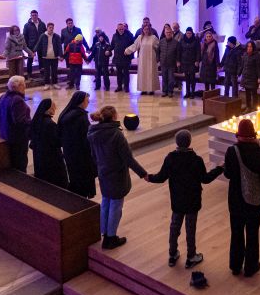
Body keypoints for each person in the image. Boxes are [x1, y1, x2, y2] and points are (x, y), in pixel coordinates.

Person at [146, 130, 224, 268]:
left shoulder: (170, 158)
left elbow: (161, 177)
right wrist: (219, 168)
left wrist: (149, 177)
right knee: (190, 228)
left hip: (177, 199)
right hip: (192, 200)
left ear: (176, 142)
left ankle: (172, 254)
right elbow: (205, 179)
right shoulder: (196, 160)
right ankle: (191, 256)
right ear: (189, 142)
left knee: (174, 226)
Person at [223, 119, 260, 277]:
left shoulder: (231, 151)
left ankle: (235, 266)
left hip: (236, 200)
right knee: (252, 233)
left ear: (238, 134)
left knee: (236, 233)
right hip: (255, 201)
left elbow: (228, 174)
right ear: (253, 134)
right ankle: (251, 266)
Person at [88, 105, 148, 249]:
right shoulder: (116, 135)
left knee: (106, 202)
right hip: (117, 175)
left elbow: (93, 156)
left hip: (103, 173)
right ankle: (111, 238)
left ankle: (104, 232)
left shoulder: (93, 133)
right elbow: (128, 158)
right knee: (116, 206)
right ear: (114, 117)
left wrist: (101, 167)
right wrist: (143, 173)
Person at [59, 91, 97, 198]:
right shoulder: (80, 117)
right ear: (81, 101)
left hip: (69, 152)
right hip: (81, 155)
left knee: (74, 177)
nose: (88, 102)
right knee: (83, 179)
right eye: (87, 100)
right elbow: (86, 137)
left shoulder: (66, 114)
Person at [29, 98, 69, 189]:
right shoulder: (50, 124)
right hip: (51, 157)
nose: (55, 108)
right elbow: (57, 142)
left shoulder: (37, 121)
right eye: (53, 106)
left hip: (40, 156)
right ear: (48, 109)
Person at [0, 76, 31, 172]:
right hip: (17, 138)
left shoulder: (2, 97)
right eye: (23, 84)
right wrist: (33, 121)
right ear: (18, 86)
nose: (25, 86)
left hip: (5, 134)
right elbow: (20, 121)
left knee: (13, 162)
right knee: (20, 163)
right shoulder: (17, 100)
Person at [126, 25, 160, 95]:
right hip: (143, 59)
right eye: (145, 29)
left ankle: (151, 89)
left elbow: (159, 48)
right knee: (143, 74)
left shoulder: (153, 38)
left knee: (151, 73)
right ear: (143, 30)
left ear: (149, 30)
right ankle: (143, 89)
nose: (146, 31)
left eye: (147, 29)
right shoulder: (140, 38)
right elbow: (135, 46)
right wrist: (127, 50)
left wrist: (159, 57)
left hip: (151, 59)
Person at [37, 22, 63, 90]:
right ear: (47, 28)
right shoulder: (42, 36)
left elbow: (59, 46)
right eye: (50, 27)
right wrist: (33, 52)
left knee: (54, 71)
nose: (51, 29)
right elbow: (38, 45)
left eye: (52, 28)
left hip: (54, 57)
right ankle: (47, 84)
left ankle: (55, 83)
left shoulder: (57, 36)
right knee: (47, 72)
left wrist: (60, 55)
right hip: (46, 57)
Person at [238, 41, 260, 110]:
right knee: (247, 93)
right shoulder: (245, 54)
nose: (249, 48)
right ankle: (248, 107)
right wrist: (239, 73)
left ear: (253, 47)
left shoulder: (257, 55)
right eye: (248, 46)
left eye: (251, 46)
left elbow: (259, 67)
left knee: (254, 93)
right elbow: (242, 65)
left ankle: (255, 107)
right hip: (246, 76)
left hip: (253, 77)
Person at [22, 10, 46, 80]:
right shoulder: (27, 25)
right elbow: (25, 36)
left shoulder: (42, 24)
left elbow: (45, 34)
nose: (34, 16)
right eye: (33, 15)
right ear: (31, 16)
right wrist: (26, 46)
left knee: (42, 60)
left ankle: (42, 73)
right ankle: (29, 74)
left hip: (41, 45)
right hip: (31, 45)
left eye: (35, 15)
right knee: (30, 60)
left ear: (37, 15)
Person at [178, 27, 201, 98]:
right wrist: (178, 61)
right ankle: (187, 93)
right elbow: (179, 51)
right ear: (186, 33)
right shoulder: (182, 40)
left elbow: (198, 51)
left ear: (192, 33)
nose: (188, 34)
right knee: (186, 78)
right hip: (184, 62)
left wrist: (197, 60)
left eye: (190, 33)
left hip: (192, 62)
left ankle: (192, 93)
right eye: (187, 33)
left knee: (192, 78)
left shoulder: (195, 40)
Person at [111, 23, 134, 92]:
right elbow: (112, 45)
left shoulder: (129, 35)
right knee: (119, 73)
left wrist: (130, 53)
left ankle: (126, 87)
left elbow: (133, 45)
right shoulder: (114, 36)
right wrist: (108, 50)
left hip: (126, 58)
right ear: (117, 29)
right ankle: (119, 86)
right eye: (119, 29)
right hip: (118, 58)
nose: (121, 30)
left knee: (126, 73)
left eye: (122, 29)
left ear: (124, 28)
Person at [159, 27, 180, 97]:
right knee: (164, 78)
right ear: (165, 33)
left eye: (169, 32)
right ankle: (164, 91)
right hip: (163, 63)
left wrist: (178, 61)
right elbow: (158, 51)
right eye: (167, 32)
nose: (168, 34)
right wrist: (158, 60)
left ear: (172, 33)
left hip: (172, 63)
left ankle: (170, 91)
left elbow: (178, 53)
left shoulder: (176, 42)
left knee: (171, 79)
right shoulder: (161, 41)